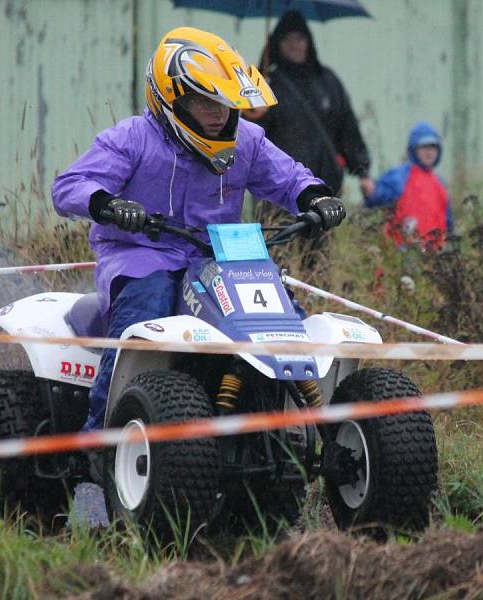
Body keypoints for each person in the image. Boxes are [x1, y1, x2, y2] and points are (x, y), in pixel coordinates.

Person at [52, 26, 344, 434]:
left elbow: (289, 177)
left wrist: (315, 197)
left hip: (218, 257)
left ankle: (307, 429)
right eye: (204, 102)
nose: (218, 113)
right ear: (171, 100)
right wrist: (109, 205)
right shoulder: (134, 137)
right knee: (146, 308)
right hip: (141, 255)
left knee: (282, 316)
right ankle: (103, 435)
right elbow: (69, 186)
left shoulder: (246, 141)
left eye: (223, 102)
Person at [247, 10, 374, 198]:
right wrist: (255, 107)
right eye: (287, 39)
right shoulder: (265, 84)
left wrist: (362, 171)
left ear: (308, 41)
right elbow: (251, 136)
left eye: (299, 38)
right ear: (276, 43)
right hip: (279, 190)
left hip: (326, 186)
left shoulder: (327, 81)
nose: (294, 45)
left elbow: (347, 128)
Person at [364, 121, 453, 251]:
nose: (429, 151)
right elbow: (379, 196)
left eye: (433, 147)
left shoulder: (440, 183)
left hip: (434, 253)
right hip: (403, 249)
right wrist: (371, 190)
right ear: (413, 149)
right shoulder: (401, 175)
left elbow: (447, 219)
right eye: (424, 147)